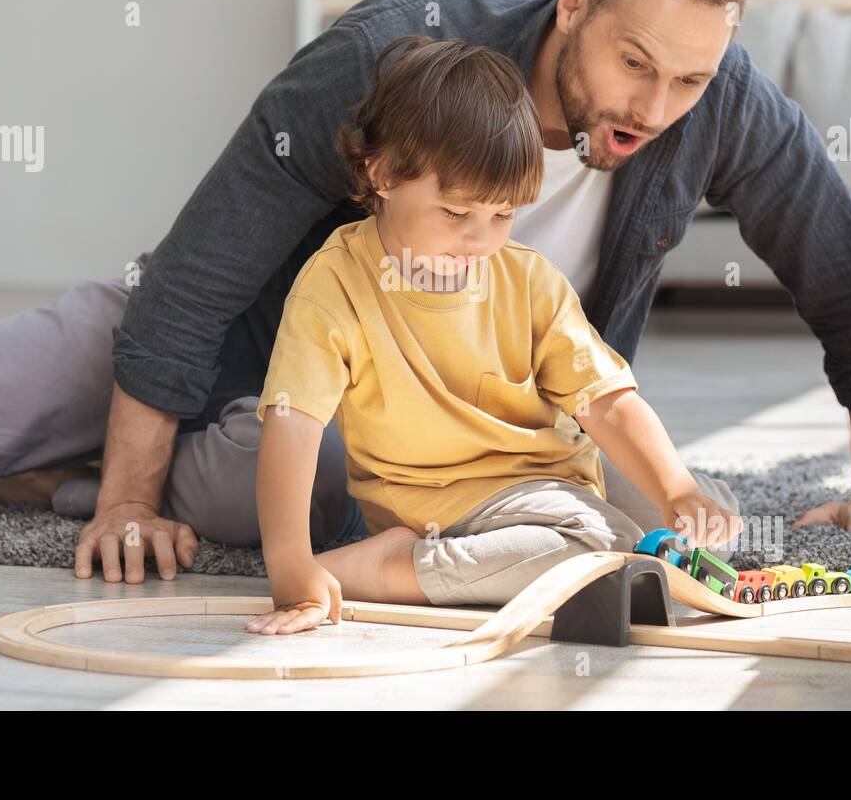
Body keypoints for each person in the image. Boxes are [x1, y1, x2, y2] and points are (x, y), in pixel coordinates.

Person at [0, 0, 851, 586]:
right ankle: (68, 468)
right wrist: (125, 505)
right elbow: (191, 280)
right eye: (634, 62)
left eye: (688, 77)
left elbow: (847, 278)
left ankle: (50, 477)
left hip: (376, 447)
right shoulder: (395, 50)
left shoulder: (718, 98)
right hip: (229, 332)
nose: (655, 101)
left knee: (465, 510)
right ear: (573, 2)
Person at [246, 35, 743, 634]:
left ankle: (577, 539)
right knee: (600, 548)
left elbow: (608, 403)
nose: (480, 241)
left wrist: (677, 489)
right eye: (456, 214)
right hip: (440, 502)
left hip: (552, 477)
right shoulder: (335, 285)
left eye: (503, 215)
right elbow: (292, 427)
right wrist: (290, 564)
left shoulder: (527, 278)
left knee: (704, 519)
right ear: (382, 174)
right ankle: (390, 567)